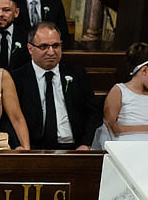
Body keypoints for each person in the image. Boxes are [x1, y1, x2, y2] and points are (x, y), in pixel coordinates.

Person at [9, 21, 102, 150]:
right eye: (44, 47)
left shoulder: (76, 74)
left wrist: (86, 144)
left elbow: (94, 113)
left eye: (56, 46)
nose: (51, 52)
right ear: (30, 49)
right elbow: (9, 118)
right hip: (33, 149)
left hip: (74, 147)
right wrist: (19, 145)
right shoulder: (16, 78)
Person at [92, 43, 148, 148]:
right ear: (144, 70)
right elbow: (111, 127)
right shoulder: (119, 91)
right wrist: (144, 129)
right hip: (125, 141)